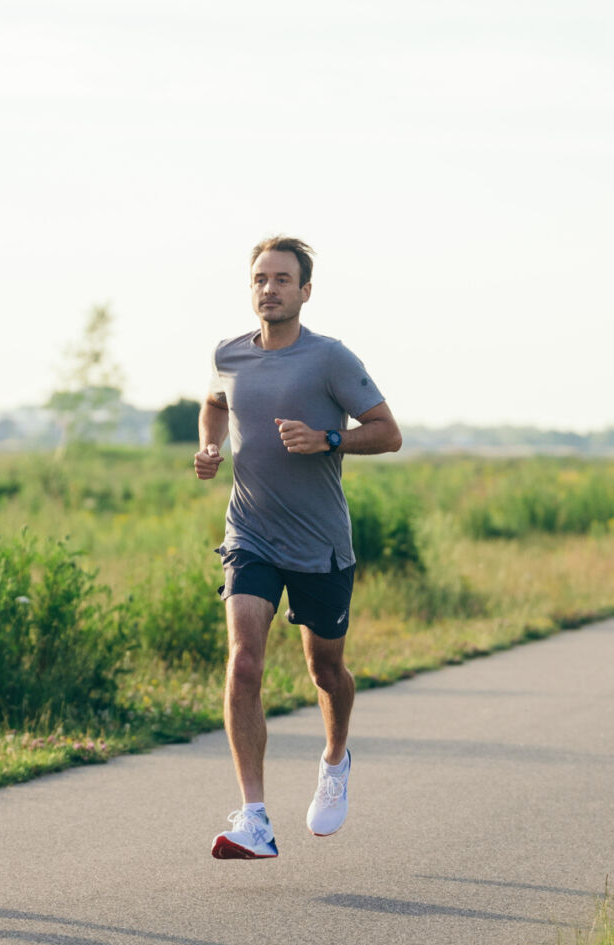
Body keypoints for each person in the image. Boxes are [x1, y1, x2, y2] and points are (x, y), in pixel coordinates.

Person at [193, 235, 402, 859]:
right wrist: (211, 447)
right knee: (245, 659)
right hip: (250, 533)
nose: (270, 289)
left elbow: (388, 433)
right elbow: (213, 404)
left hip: (319, 543)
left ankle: (335, 758)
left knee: (325, 671)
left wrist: (328, 439)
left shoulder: (330, 359)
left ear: (305, 291)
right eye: (261, 279)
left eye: (283, 280)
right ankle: (254, 817)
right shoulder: (228, 353)